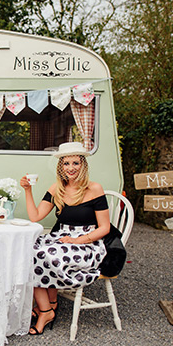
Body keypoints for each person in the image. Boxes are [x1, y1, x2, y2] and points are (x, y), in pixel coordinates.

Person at [20, 142, 110, 335]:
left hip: (88, 242)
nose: (70, 168)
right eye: (66, 163)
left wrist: (78, 240)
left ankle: (46, 309)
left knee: (46, 254)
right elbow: (35, 217)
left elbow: (104, 228)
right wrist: (28, 191)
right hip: (62, 237)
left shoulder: (94, 189)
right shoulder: (56, 189)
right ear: (60, 166)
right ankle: (48, 307)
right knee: (27, 252)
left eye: (75, 163)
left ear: (83, 165)